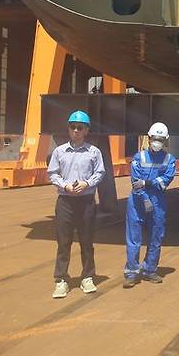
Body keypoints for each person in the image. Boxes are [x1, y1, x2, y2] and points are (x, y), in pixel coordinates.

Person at [47, 110, 105, 299]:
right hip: (65, 201)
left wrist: (86, 183)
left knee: (87, 241)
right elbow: (53, 173)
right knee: (63, 242)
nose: (76, 131)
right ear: (68, 129)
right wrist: (65, 185)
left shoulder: (94, 152)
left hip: (86, 201)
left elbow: (100, 172)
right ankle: (61, 280)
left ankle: (87, 276)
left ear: (87, 130)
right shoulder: (59, 151)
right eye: (73, 127)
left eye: (80, 127)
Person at [123, 122, 177, 288]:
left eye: (160, 139)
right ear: (149, 138)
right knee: (134, 238)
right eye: (155, 138)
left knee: (156, 236)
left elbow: (165, 181)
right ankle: (132, 272)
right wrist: (145, 196)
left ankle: (150, 269)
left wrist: (146, 182)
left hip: (158, 203)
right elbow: (135, 183)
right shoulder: (139, 157)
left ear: (166, 140)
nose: (157, 141)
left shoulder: (170, 160)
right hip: (137, 203)